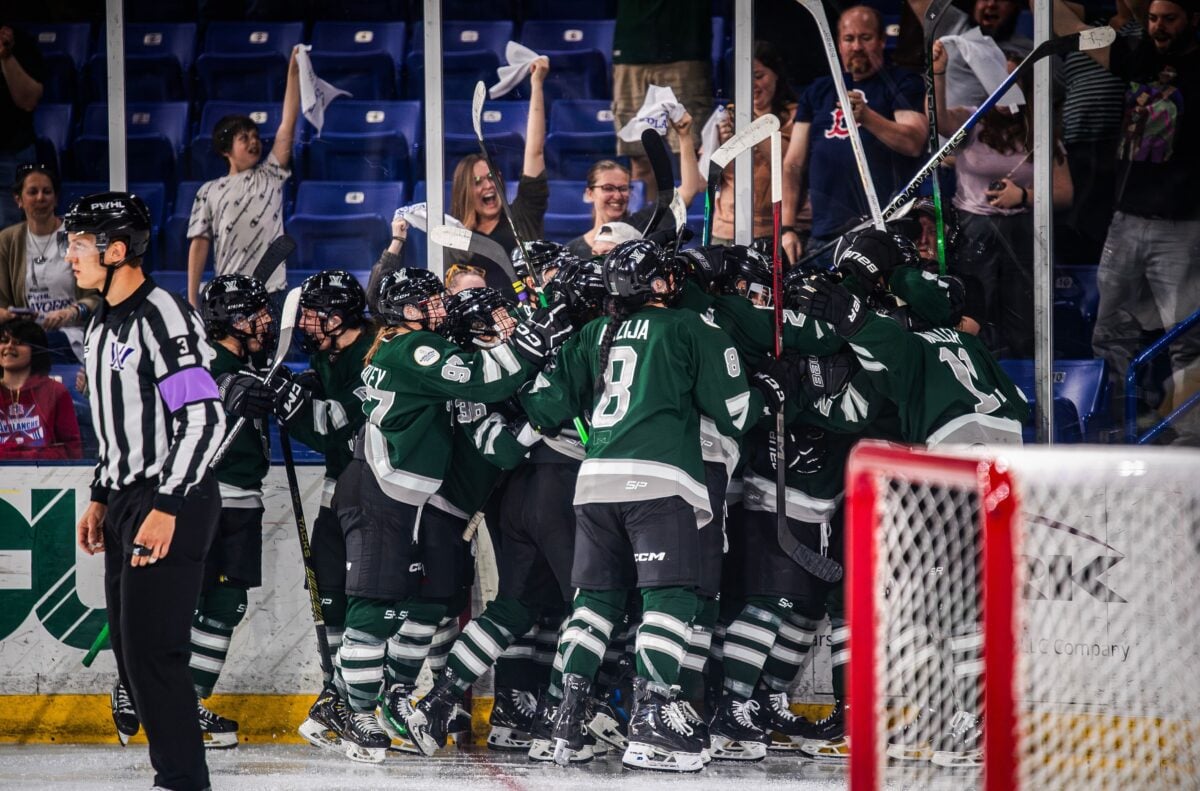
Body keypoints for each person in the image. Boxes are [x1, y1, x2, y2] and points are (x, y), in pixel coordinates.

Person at [520, 240, 780, 773]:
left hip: (594, 483)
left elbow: (544, 405)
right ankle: (654, 715)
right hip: (659, 481)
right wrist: (770, 392)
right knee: (671, 599)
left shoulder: (594, 332)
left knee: (594, 603)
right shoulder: (691, 327)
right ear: (660, 283)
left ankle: (564, 716)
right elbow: (733, 414)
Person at [326, 268, 569, 763]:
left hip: (394, 493)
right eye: (428, 303)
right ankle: (350, 710)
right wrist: (531, 342)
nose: (439, 308)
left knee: (395, 603)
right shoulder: (415, 347)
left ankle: (361, 703)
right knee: (376, 606)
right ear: (403, 311)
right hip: (382, 491)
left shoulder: (405, 345)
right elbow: (481, 381)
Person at [69, 191, 225, 791]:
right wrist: (101, 493)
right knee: (133, 655)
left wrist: (167, 505)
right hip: (127, 498)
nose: (70, 257)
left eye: (79, 246)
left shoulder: (164, 315)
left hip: (171, 498)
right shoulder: (101, 321)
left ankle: (182, 780)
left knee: (155, 653)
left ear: (115, 251)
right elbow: (119, 425)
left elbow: (203, 419)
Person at [1055, 0, 1200, 444]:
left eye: (1169, 19)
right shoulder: (1138, 57)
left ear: (1192, 19)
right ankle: (1114, 426)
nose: (1159, 28)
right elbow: (1068, 26)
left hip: (1181, 224)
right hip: (1125, 220)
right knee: (1109, 332)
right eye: (1153, 19)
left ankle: (1190, 436)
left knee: (1186, 338)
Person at [184, 274, 283, 750]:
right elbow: (180, 396)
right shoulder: (203, 357)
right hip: (204, 499)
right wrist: (225, 388)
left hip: (244, 498)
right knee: (181, 600)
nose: (266, 323)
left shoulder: (252, 362)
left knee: (227, 604)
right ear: (234, 321)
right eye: (257, 315)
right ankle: (139, 682)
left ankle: (189, 703)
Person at [281, 270, 375, 754]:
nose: (304, 324)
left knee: (370, 595)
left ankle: (356, 699)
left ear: (338, 318)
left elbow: (334, 426)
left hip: (377, 493)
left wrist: (290, 403)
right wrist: (303, 386)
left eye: (313, 315)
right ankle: (334, 695)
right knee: (328, 590)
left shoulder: (374, 353)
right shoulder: (330, 352)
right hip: (339, 489)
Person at [932, 40, 1073, 358]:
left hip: (1021, 233)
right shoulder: (974, 121)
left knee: (1023, 322)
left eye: (1012, 83)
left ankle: (1023, 379)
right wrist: (939, 73)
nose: (1004, 90)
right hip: (973, 233)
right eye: (997, 82)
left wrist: (1023, 195)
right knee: (973, 316)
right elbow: (939, 121)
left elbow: (1064, 193)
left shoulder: (1040, 131)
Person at [782, 6, 928, 267]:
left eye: (866, 38)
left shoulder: (902, 82)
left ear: (882, 40)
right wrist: (787, 227)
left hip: (885, 232)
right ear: (839, 44)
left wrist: (868, 117)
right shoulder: (819, 90)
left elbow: (914, 142)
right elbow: (793, 164)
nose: (857, 46)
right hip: (825, 236)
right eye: (849, 39)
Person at [186, 46, 300, 308]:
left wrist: (293, 73)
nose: (254, 142)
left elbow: (288, 123)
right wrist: (192, 299)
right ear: (225, 149)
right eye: (244, 138)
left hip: (272, 293)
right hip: (230, 293)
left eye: (256, 136)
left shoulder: (271, 174)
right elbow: (199, 243)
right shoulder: (209, 191)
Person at [446, 58, 550, 296]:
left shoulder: (521, 217)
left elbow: (535, 152)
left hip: (529, 314)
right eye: (477, 182)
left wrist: (536, 84)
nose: (488, 185)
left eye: (492, 176)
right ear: (464, 191)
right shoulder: (457, 239)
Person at [611, 0, 713, 201]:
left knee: (693, 154)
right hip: (632, 50)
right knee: (640, 157)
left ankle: (695, 219)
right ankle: (649, 217)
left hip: (685, 47)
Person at [563, 112, 702, 259]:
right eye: (608, 188)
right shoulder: (573, 251)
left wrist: (684, 136)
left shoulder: (643, 224)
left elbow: (688, 190)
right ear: (590, 193)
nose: (617, 196)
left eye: (623, 188)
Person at [0, 164, 100, 362]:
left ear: (56, 199)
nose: (40, 198)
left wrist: (71, 313)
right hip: (24, 336)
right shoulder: (7, 240)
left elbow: (96, 298)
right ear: (19, 200)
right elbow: (2, 301)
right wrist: (7, 315)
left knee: (41, 345)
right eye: (32, 192)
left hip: (71, 334)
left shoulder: (77, 237)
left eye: (47, 192)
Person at [709, 42, 801, 247]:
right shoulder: (727, 116)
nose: (752, 85)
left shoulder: (795, 116)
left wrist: (750, 126)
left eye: (759, 76)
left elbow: (788, 165)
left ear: (776, 75)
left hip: (773, 231)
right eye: (745, 78)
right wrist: (721, 145)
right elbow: (706, 179)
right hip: (725, 230)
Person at [0, 317, 80, 459]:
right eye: (4, 341)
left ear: (35, 350)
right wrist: (32, 453)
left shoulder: (56, 392)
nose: (9, 346)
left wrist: (15, 454)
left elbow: (72, 450)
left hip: (46, 472)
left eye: (19, 343)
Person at [0, 23, 44, 229]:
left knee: (9, 236)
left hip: (10, 155)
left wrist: (6, 57)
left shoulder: (17, 42)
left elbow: (28, 100)